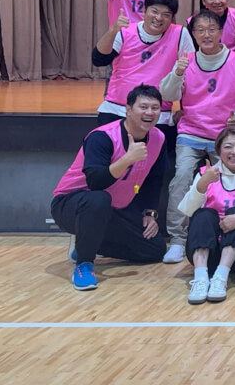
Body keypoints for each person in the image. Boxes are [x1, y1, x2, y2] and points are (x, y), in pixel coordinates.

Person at [159, 10, 235, 263]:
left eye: (212, 29)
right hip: (191, 132)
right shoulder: (186, 61)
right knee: (181, 178)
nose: (206, 34)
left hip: (226, 136)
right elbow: (167, 95)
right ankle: (178, 239)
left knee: (230, 183)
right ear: (193, 34)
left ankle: (226, 233)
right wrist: (177, 73)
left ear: (221, 32)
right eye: (200, 30)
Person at [51, 85, 169, 291]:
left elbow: (154, 179)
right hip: (72, 204)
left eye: (155, 108)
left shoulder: (158, 138)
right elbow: (95, 182)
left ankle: (85, 243)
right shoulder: (102, 137)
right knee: (99, 199)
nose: (149, 113)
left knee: (155, 249)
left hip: (115, 208)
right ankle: (84, 265)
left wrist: (150, 213)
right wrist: (127, 159)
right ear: (128, 109)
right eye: (143, 107)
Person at [177, 126, 235, 304]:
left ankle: (221, 277)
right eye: (228, 147)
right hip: (207, 251)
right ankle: (201, 278)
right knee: (204, 214)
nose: (234, 152)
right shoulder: (206, 173)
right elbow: (187, 209)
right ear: (219, 151)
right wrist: (202, 185)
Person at [91, 0, 195, 130]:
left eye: (166, 15)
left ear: (172, 18)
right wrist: (113, 30)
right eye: (154, 11)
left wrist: (185, 110)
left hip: (158, 113)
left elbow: (192, 74)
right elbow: (98, 60)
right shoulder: (125, 31)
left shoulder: (180, 33)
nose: (159, 18)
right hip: (118, 109)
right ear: (144, 12)